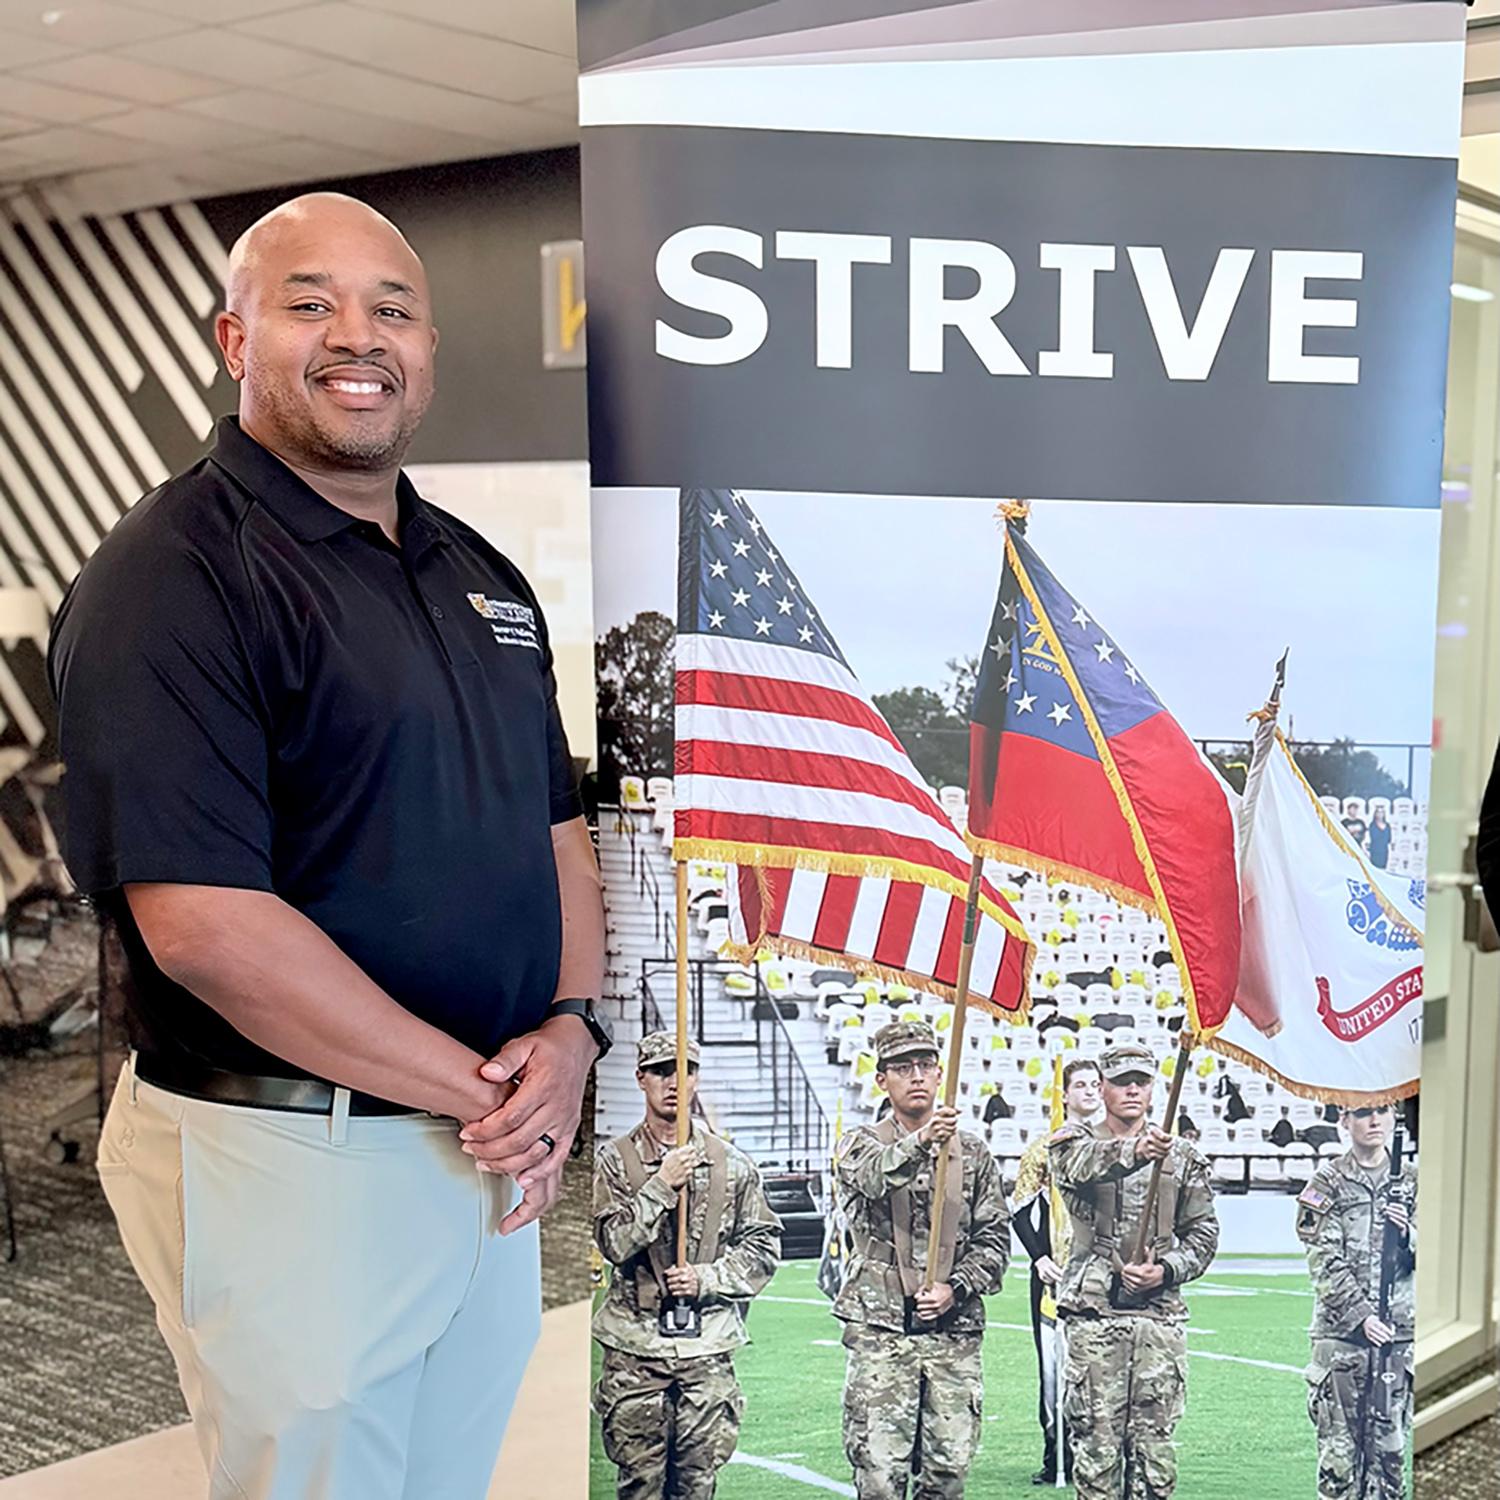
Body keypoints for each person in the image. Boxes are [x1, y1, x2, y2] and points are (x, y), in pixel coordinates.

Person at [48, 192, 611, 1500]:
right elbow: (205, 928)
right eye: (311, 303)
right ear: (234, 339)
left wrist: (573, 1031)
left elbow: (558, 833)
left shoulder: (477, 574)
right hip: (295, 1156)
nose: (359, 336)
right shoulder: (172, 574)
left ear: (427, 351)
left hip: (478, 1151)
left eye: (391, 309)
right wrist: (491, 1097)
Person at [593, 1032, 782, 1499]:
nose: (674, 1082)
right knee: (640, 1485)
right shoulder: (614, 1161)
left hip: (707, 1348)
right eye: (661, 1071)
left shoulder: (732, 1164)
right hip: (635, 1350)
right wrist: (662, 1184)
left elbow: (763, 1248)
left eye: (685, 1070)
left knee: (698, 1485)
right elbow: (614, 1243)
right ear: (641, 1078)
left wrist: (705, 1278)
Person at [833, 1020, 1011, 1499]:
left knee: (948, 1472)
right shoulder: (859, 1144)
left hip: (953, 1335)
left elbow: (995, 1240)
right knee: (879, 1475)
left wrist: (957, 1287)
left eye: (925, 1065)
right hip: (881, 1332)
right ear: (881, 1080)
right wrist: (922, 1142)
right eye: (902, 1067)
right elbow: (874, 1178)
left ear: (939, 1075)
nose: (916, 1075)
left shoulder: (972, 1153)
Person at [1050, 1043, 1219, 1500]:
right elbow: (1080, 1166)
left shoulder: (1182, 1157)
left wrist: (1167, 1269)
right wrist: (1137, 1150)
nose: (1131, 1090)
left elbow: (1204, 1233)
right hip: (1095, 1316)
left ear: (1152, 1090)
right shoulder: (1073, 1142)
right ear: (1102, 1087)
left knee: (1154, 1455)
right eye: (1121, 1082)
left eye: (1141, 1082)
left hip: (1159, 1319)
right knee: (1097, 1451)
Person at [1296, 1103, 1417, 1500]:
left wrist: (1409, 1235)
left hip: (1398, 1339)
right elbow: (1323, 1262)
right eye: (1363, 1112)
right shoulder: (1326, 1182)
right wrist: (1362, 1316)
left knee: (1390, 1465)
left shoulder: (1413, 1182)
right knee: (1339, 1466)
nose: (1375, 1120)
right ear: (1344, 1121)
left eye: (1383, 1110)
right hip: (1342, 1342)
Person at [1011, 1057, 1102, 1485]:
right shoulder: (1044, 1148)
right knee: (1052, 1370)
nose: (1090, 1091)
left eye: (1095, 1084)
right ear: (1064, 1094)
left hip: (1098, 1275)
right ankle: (1055, 1453)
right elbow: (1019, 1210)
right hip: (1053, 1276)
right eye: (1081, 1084)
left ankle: (1098, 1453)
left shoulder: (1109, 1145)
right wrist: (1038, 1256)